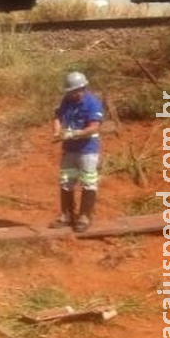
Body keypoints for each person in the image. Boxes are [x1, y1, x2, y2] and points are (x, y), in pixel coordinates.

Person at [50, 71, 104, 233]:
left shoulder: (92, 103)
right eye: (70, 92)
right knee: (66, 181)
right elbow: (58, 117)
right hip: (70, 150)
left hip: (87, 150)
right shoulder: (67, 100)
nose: (73, 94)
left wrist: (74, 133)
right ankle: (67, 216)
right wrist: (57, 132)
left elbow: (94, 126)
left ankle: (85, 216)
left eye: (75, 91)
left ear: (83, 88)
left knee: (88, 182)